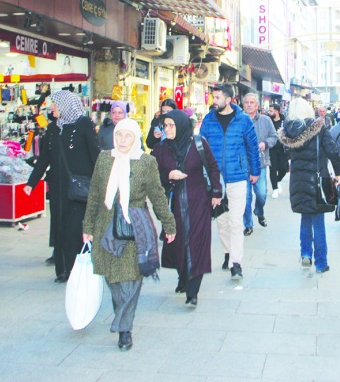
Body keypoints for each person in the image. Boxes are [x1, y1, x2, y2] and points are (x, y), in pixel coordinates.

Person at [82, 119, 176, 351]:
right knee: (113, 278)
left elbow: (157, 194)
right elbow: (94, 193)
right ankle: (122, 316)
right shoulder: (105, 159)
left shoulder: (146, 162)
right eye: (119, 135)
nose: (123, 140)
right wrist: (87, 227)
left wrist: (168, 223)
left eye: (128, 136)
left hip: (134, 227)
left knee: (132, 278)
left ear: (136, 138)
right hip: (105, 226)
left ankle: (124, 329)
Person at [26, 90, 99, 282]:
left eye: (55, 105)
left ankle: (78, 268)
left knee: (75, 228)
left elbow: (95, 155)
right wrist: (31, 183)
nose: (52, 108)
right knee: (59, 227)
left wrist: (101, 183)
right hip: (58, 189)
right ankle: (63, 269)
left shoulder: (83, 125)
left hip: (79, 189)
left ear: (66, 106)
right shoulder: (53, 129)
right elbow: (44, 159)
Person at [152, 110, 222, 306]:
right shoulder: (161, 148)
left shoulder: (198, 144)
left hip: (198, 200)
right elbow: (154, 175)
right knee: (178, 243)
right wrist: (169, 175)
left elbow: (213, 167)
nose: (168, 129)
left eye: (171, 125)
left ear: (181, 125)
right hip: (174, 203)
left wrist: (216, 192)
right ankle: (183, 276)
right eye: (165, 125)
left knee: (197, 243)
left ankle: (192, 292)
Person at [199, 84, 260, 280]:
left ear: (228, 100)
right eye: (213, 97)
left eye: (217, 97)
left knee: (235, 221)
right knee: (222, 222)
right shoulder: (208, 120)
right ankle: (227, 251)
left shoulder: (243, 120)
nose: (213, 101)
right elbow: (201, 149)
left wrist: (255, 171)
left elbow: (252, 146)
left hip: (237, 177)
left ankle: (236, 263)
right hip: (216, 179)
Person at [277, 99, 340, 272]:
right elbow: (332, 150)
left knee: (305, 217)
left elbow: (287, 154)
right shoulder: (319, 128)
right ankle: (321, 263)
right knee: (318, 221)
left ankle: (306, 253)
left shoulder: (287, 132)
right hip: (317, 180)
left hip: (298, 182)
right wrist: (339, 173)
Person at [241, 94, 277, 235]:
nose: (249, 105)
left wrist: (265, 143)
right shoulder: (239, 121)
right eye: (246, 102)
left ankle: (259, 211)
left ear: (257, 106)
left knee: (261, 194)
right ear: (243, 105)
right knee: (246, 197)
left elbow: (274, 136)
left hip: (260, 164)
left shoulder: (266, 120)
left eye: (252, 102)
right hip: (243, 165)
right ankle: (248, 224)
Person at [268, 104, 289, 198]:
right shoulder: (268, 121)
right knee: (272, 169)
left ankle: (278, 180)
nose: (269, 112)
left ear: (277, 111)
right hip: (271, 148)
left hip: (282, 148)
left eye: (271, 111)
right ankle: (275, 189)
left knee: (284, 168)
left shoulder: (284, 121)